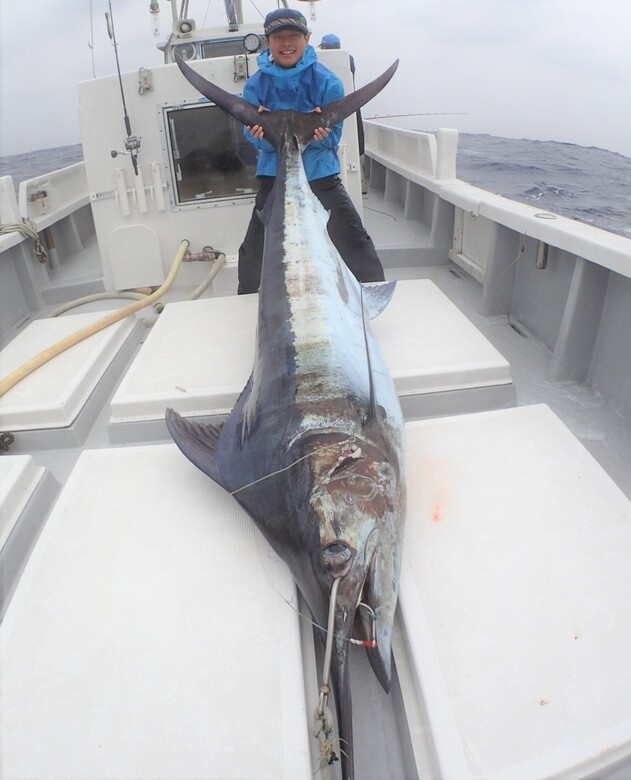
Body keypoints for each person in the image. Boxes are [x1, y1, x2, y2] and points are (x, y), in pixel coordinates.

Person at [237, 8, 384, 294]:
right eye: (279, 37)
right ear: (268, 42)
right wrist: (261, 135)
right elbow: (252, 139)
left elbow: (334, 138)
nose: (286, 43)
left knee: (355, 242)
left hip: (320, 176)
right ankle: (253, 307)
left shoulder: (328, 82)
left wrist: (317, 135)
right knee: (252, 252)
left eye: (293, 36)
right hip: (274, 177)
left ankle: (374, 295)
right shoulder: (254, 86)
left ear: (307, 38)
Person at [317, 32, 367, 193]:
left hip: (327, 111)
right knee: (356, 141)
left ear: (323, 47)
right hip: (350, 105)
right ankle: (361, 185)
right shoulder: (348, 59)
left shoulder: (318, 63)